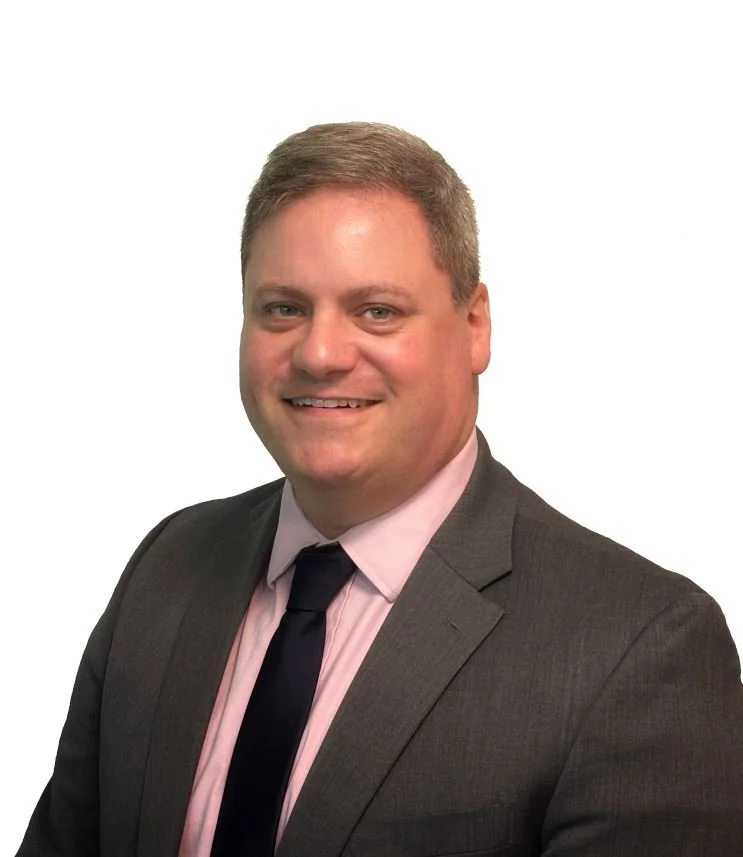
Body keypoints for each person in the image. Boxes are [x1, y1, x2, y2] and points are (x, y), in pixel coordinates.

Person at [16, 122, 743, 857]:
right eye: (283, 308)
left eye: (377, 311)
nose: (321, 353)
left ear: (474, 324)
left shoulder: (641, 647)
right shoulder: (167, 564)